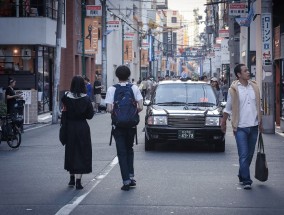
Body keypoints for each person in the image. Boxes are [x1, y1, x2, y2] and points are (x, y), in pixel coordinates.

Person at [221, 64, 263, 190]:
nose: (248, 72)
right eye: (245, 71)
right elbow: (228, 109)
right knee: (243, 154)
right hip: (240, 128)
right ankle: (246, 180)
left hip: (254, 126)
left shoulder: (254, 87)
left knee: (249, 154)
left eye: (248, 70)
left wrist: (261, 122)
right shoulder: (233, 89)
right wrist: (223, 122)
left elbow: (258, 106)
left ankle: (241, 173)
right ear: (239, 74)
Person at [105, 65, 143, 191]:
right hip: (131, 125)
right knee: (129, 149)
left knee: (121, 152)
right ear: (129, 75)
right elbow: (141, 107)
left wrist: (118, 114)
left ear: (117, 76)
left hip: (118, 126)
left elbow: (109, 108)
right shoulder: (134, 88)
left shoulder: (112, 89)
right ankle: (131, 177)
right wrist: (130, 113)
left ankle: (126, 181)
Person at [61, 75, 94, 190]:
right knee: (82, 152)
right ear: (83, 85)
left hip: (70, 127)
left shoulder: (65, 97)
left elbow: (64, 114)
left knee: (71, 151)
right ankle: (78, 181)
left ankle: (71, 178)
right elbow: (90, 115)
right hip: (82, 127)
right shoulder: (86, 98)